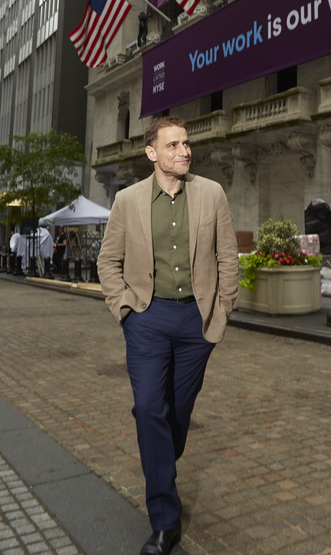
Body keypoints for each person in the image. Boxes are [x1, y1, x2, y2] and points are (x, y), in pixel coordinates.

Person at [98, 116, 239, 555]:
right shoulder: (128, 200)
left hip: (196, 323)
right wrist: (124, 308)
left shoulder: (211, 193)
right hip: (147, 317)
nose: (185, 151)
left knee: (175, 414)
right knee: (147, 409)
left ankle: (160, 463)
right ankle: (165, 521)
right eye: (174, 144)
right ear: (152, 153)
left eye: (186, 143)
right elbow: (108, 261)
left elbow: (228, 257)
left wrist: (223, 308)